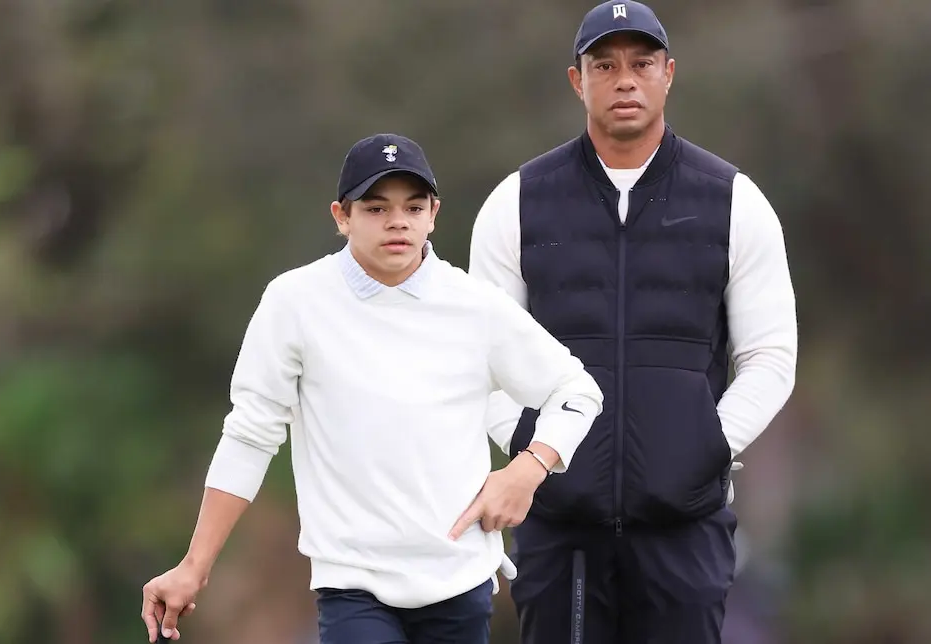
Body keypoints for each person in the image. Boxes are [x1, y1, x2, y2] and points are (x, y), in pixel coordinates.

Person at [140, 133, 605, 644]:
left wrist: (528, 469)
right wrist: (194, 565)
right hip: (352, 586)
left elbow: (576, 391)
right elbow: (250, 436)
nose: (398, 221)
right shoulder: (295, 302)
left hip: (460, 581)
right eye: (376, 208)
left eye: (413, 207)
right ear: (342, 216)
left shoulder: (476, 305)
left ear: (433, 214)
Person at [467, 2, 798, 643]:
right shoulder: (517, 202)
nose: (624, 80)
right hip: (561, 534)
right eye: (605, 65)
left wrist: (708, 444)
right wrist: (530, 449)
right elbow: (479, 359)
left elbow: (770, 357)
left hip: (685, 531)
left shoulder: (734, 201)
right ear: (577, 80)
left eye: (641, 64)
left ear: (668, 74)